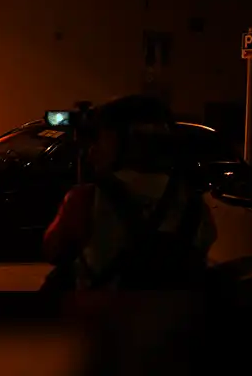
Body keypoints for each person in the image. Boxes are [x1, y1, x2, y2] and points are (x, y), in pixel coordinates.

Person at [42, 96, 217, 290]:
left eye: (101, 139)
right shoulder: (196, 206)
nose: (92, 151)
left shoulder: (86, 200)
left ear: (126, 143)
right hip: (175, 317)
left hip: (104, 315)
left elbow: (53, 250)